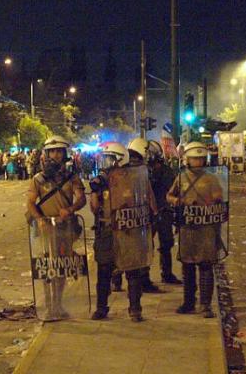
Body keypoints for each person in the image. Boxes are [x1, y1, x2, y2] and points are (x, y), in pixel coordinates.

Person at [89, 142, 156, 321]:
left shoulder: (135, 179)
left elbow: (148, 203)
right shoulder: (102, 181)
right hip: (107, 230)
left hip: (128, 230)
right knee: (104, 271)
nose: (105, 164)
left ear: (119, 160)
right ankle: (101, 307)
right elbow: (95, 209)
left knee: (132, 271)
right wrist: (95, 192)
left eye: (109, 159)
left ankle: (135, 308)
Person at [27, 136, 86, 321]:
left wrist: (70, 209)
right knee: (46, 268)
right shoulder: (38, 179)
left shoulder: (72, 177)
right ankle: (49, 304)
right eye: (52, 151)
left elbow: (81, 198)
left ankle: (58, 303)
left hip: (65, 228)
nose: (55, 155)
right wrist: (39, 218)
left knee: (61, 267)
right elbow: (30, 203)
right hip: (45, 228)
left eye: (59, 151)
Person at [168, 141, 226, 318]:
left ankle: (206, 305)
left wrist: (206, 203)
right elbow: (170, 195)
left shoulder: (211, 178)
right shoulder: (181, 177)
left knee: (206, 267)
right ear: (187, 159)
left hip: (206, 229)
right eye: (195, 158)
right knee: (188, 267)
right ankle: (188, 302)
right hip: (187, 228)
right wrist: (179, 202)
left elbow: (219, 199)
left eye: (200, 158)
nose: (198, 162)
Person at [147, 140, 181, 284]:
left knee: (166, 244)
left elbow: (173, 190)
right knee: (146, 246)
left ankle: (166, 273)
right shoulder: (142, 171)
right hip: (148, 212)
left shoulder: (166, 171)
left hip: (164, 211)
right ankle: (143, 278)